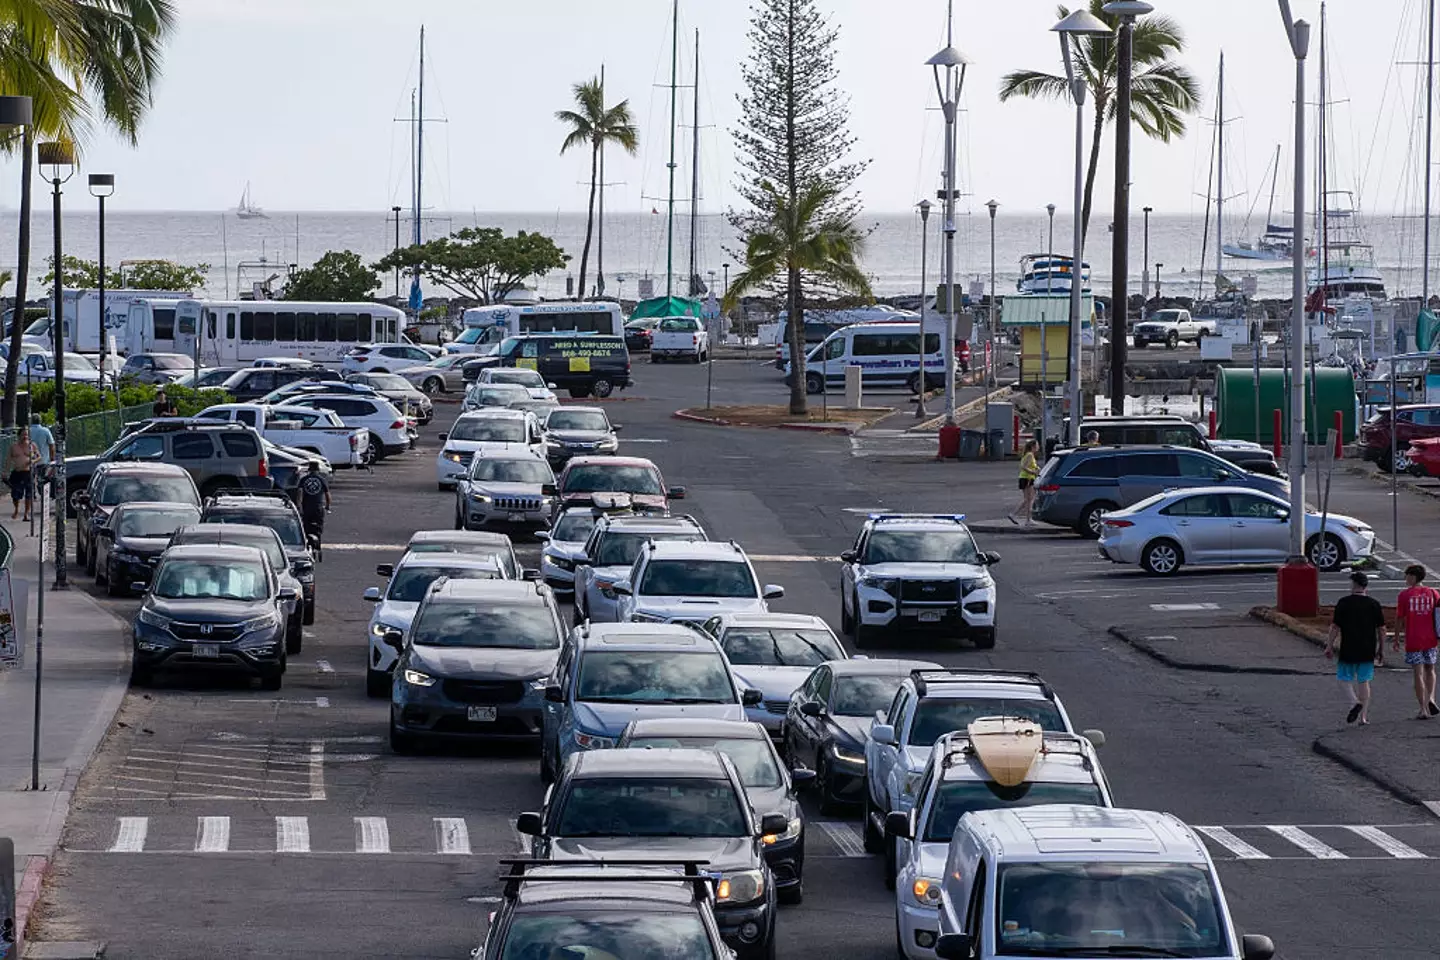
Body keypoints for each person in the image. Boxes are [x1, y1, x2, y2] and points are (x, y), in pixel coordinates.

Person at [1326, 570, 1387, 725]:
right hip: (1368, 648)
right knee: (1364, 681)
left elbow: (1335, 627)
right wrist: (1381, 648)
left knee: (1343, 679)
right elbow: (1381, 628)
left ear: (1354, 584)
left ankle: (1354, 702)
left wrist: (1329, 645)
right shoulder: (1374, 604)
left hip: (1349, 646)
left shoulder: (1344, 602)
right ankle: (1363, 717)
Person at [1394, 563, 1439, 720]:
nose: (1406, 579)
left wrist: (1397, 638)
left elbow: (1400, 618)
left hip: (1414, 638)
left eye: (1407, 576)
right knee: (1430, 669)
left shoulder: (1404, 595)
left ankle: (1422, 708)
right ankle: (1431, 698)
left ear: (1413, 577)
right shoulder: (1433, 593)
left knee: (1418, 673)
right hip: (1431, 637)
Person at [4, 427, 38, 521]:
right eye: (23, 434)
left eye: (26, 434)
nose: (25, 436)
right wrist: (5, 472)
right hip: (17, 473)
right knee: (15, 495)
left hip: (28, 473)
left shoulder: (32, 445)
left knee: (29, 494)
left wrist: (33, 461)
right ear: (19, 435)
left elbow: (39, 457)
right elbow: (8, 460)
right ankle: (16, 509)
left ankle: (26, 514)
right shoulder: (13, 447)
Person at [1008, 439, 1040, 527]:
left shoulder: (1029, 455)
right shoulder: (1030, 455)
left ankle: (1025, 518)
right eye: (1037, 445)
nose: (1038, 447)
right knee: (1029, 499)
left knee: (1028, 499)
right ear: (1033, 446)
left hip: (1026, 478)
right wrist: (1033, 472)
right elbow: (1023, 467)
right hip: (1027, 478)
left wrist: (1036, 468)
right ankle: (1022, 517)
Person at [297, 460, 330, 542]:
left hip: (307, 508)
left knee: (306, 527)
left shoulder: (303, 479)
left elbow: (299, 494)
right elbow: (327, 495)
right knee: (318, 527)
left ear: (309, 470)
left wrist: (299, 506)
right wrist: (327, 505)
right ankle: (317, 542)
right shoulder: (322, 480)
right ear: (318, 470)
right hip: (318, 508)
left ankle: (307, 542)